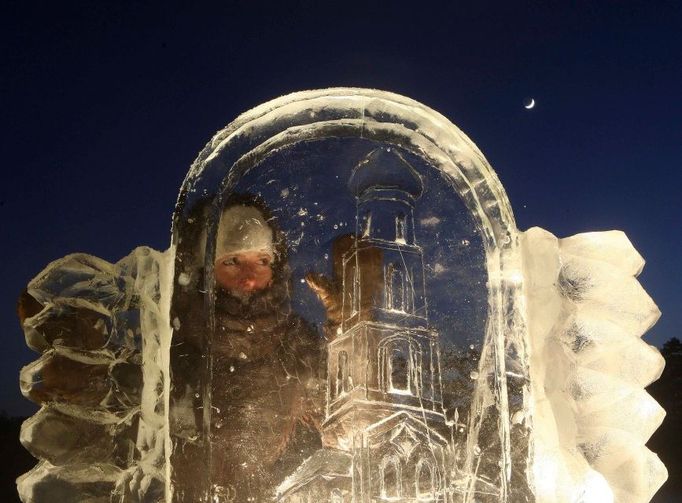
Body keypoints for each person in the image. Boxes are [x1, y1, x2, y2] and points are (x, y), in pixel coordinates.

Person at [170, 196, 324, 503]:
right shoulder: (175, 343)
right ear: (204, 269)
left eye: (261, 261)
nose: (249, 278)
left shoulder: (298, 341)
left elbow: (353, 415)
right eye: (232, 261)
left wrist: (355, 320)